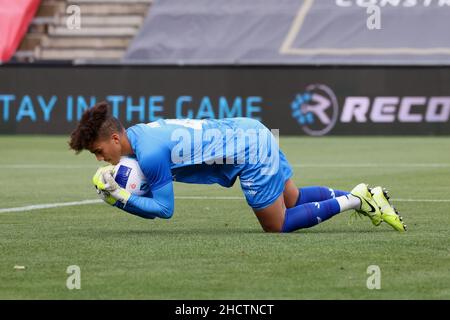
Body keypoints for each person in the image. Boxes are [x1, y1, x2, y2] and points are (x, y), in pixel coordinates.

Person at [68, 102, 406, 233]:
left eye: (99, 151)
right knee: (293, 198)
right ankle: (372, 196)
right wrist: (120, 194)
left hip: (248, 150)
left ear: (115, 137)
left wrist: (120, 199)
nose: (100, 158)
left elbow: (164, 210)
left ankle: (359, 198)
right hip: (248, 129)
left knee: (278, 225)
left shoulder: (150, 153)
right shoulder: (140, 135)